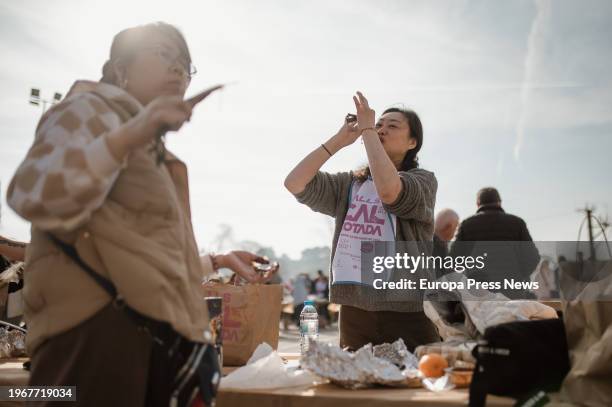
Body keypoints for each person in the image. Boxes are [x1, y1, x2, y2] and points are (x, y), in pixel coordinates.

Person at [6, 22, 273, 406]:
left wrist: (217, 260)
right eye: (164, 54)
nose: (179, 70)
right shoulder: (87, 109)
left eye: (185, 64)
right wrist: (133, 133)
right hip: (95, 342)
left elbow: (143, 259)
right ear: (119, 69)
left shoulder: (154, 152)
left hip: (154, 345)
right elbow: (33, 194)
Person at [284, 92, 439, 352]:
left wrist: (367, 130)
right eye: (379, 124)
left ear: (413, 142)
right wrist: (339, 140)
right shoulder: (350, 184)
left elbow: (390, 192)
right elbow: (295, 182)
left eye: (392, 126)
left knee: (415, 382)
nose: (381, 129)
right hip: (356, 308)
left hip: (407, 308)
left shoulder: (423, 181)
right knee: (355, 382)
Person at [451, 187, 539, 298]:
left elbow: (453, 260)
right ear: (499, 202)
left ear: (478, 204)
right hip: (512, 293)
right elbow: (533, 257)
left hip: (479, 295)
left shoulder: (466, 225)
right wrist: (518, 277)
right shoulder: (517, 223)